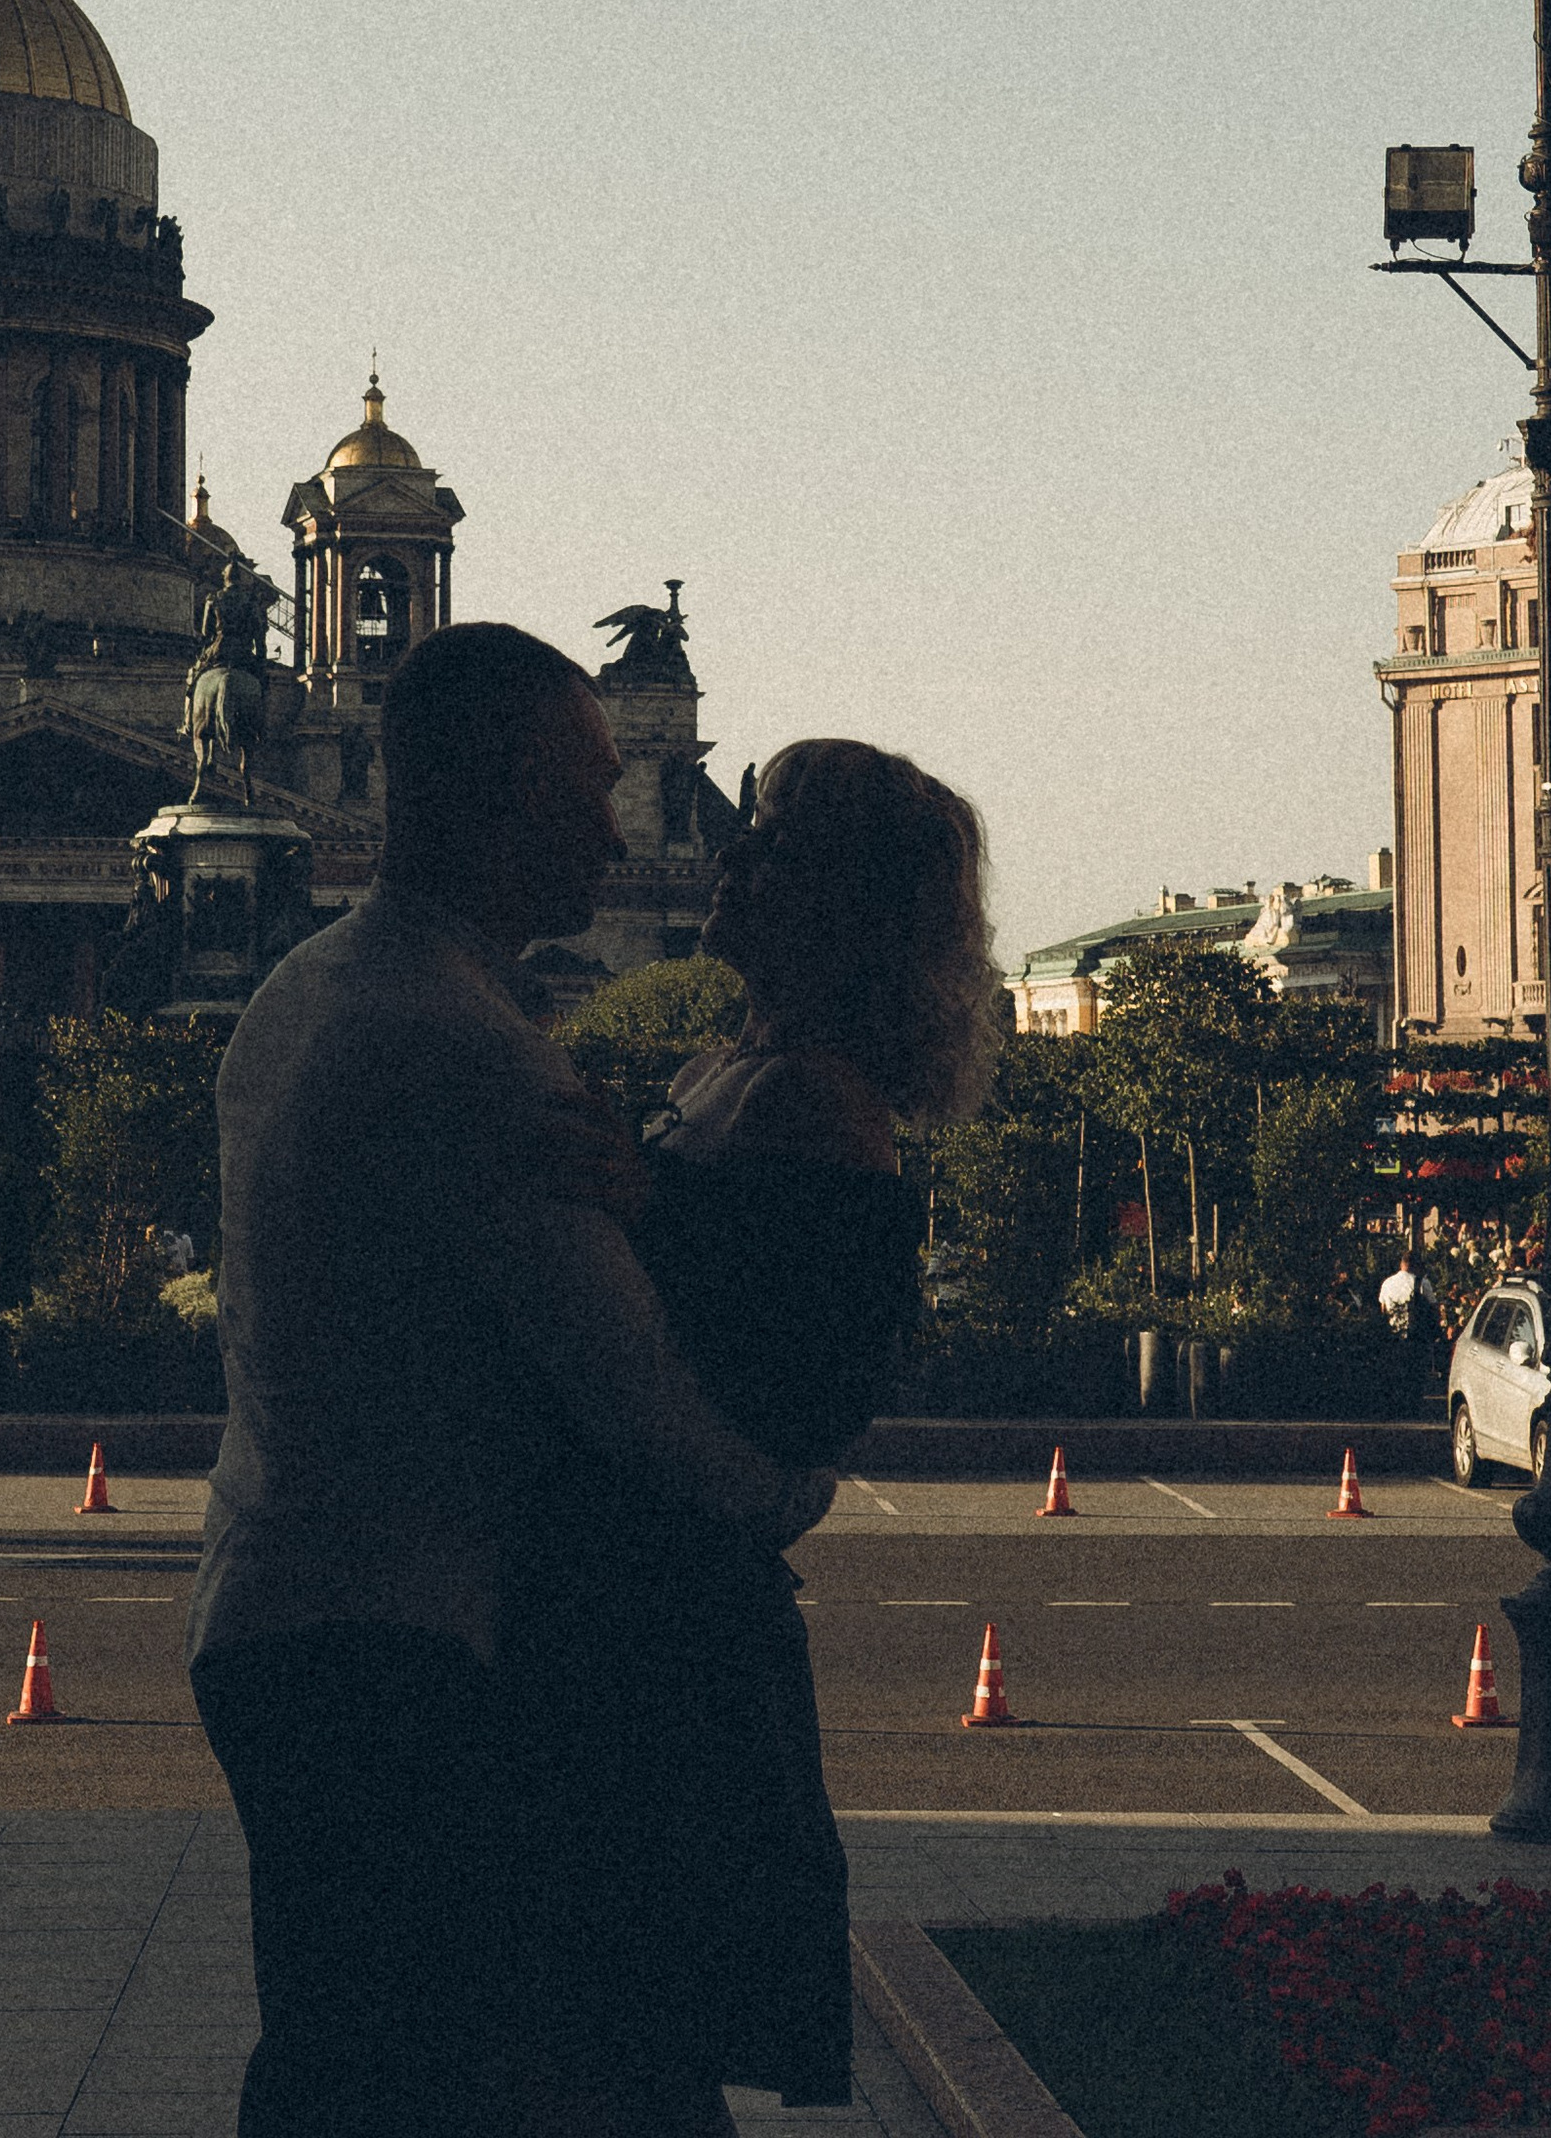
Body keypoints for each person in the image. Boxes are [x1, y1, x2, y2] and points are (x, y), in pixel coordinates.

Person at [184, 620, 833, 2138]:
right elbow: (643, 1402)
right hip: (402, 1644)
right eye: (593, 784)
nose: (622, 827)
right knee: (422, 2072)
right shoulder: (468, 1047)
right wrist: (791, 1488)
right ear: (499, 792)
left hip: (274, 1600)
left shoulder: (311, 984)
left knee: (345, 2061)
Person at [502, 736, 998, 2135]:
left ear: (840, 903)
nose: (731, 855)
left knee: (624, 2053)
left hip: (669, 1641)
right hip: (647, 1615)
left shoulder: (817, 1104)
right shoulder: (743, 1064)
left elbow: (799, 1391)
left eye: (772, 844)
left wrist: (646, 1210)